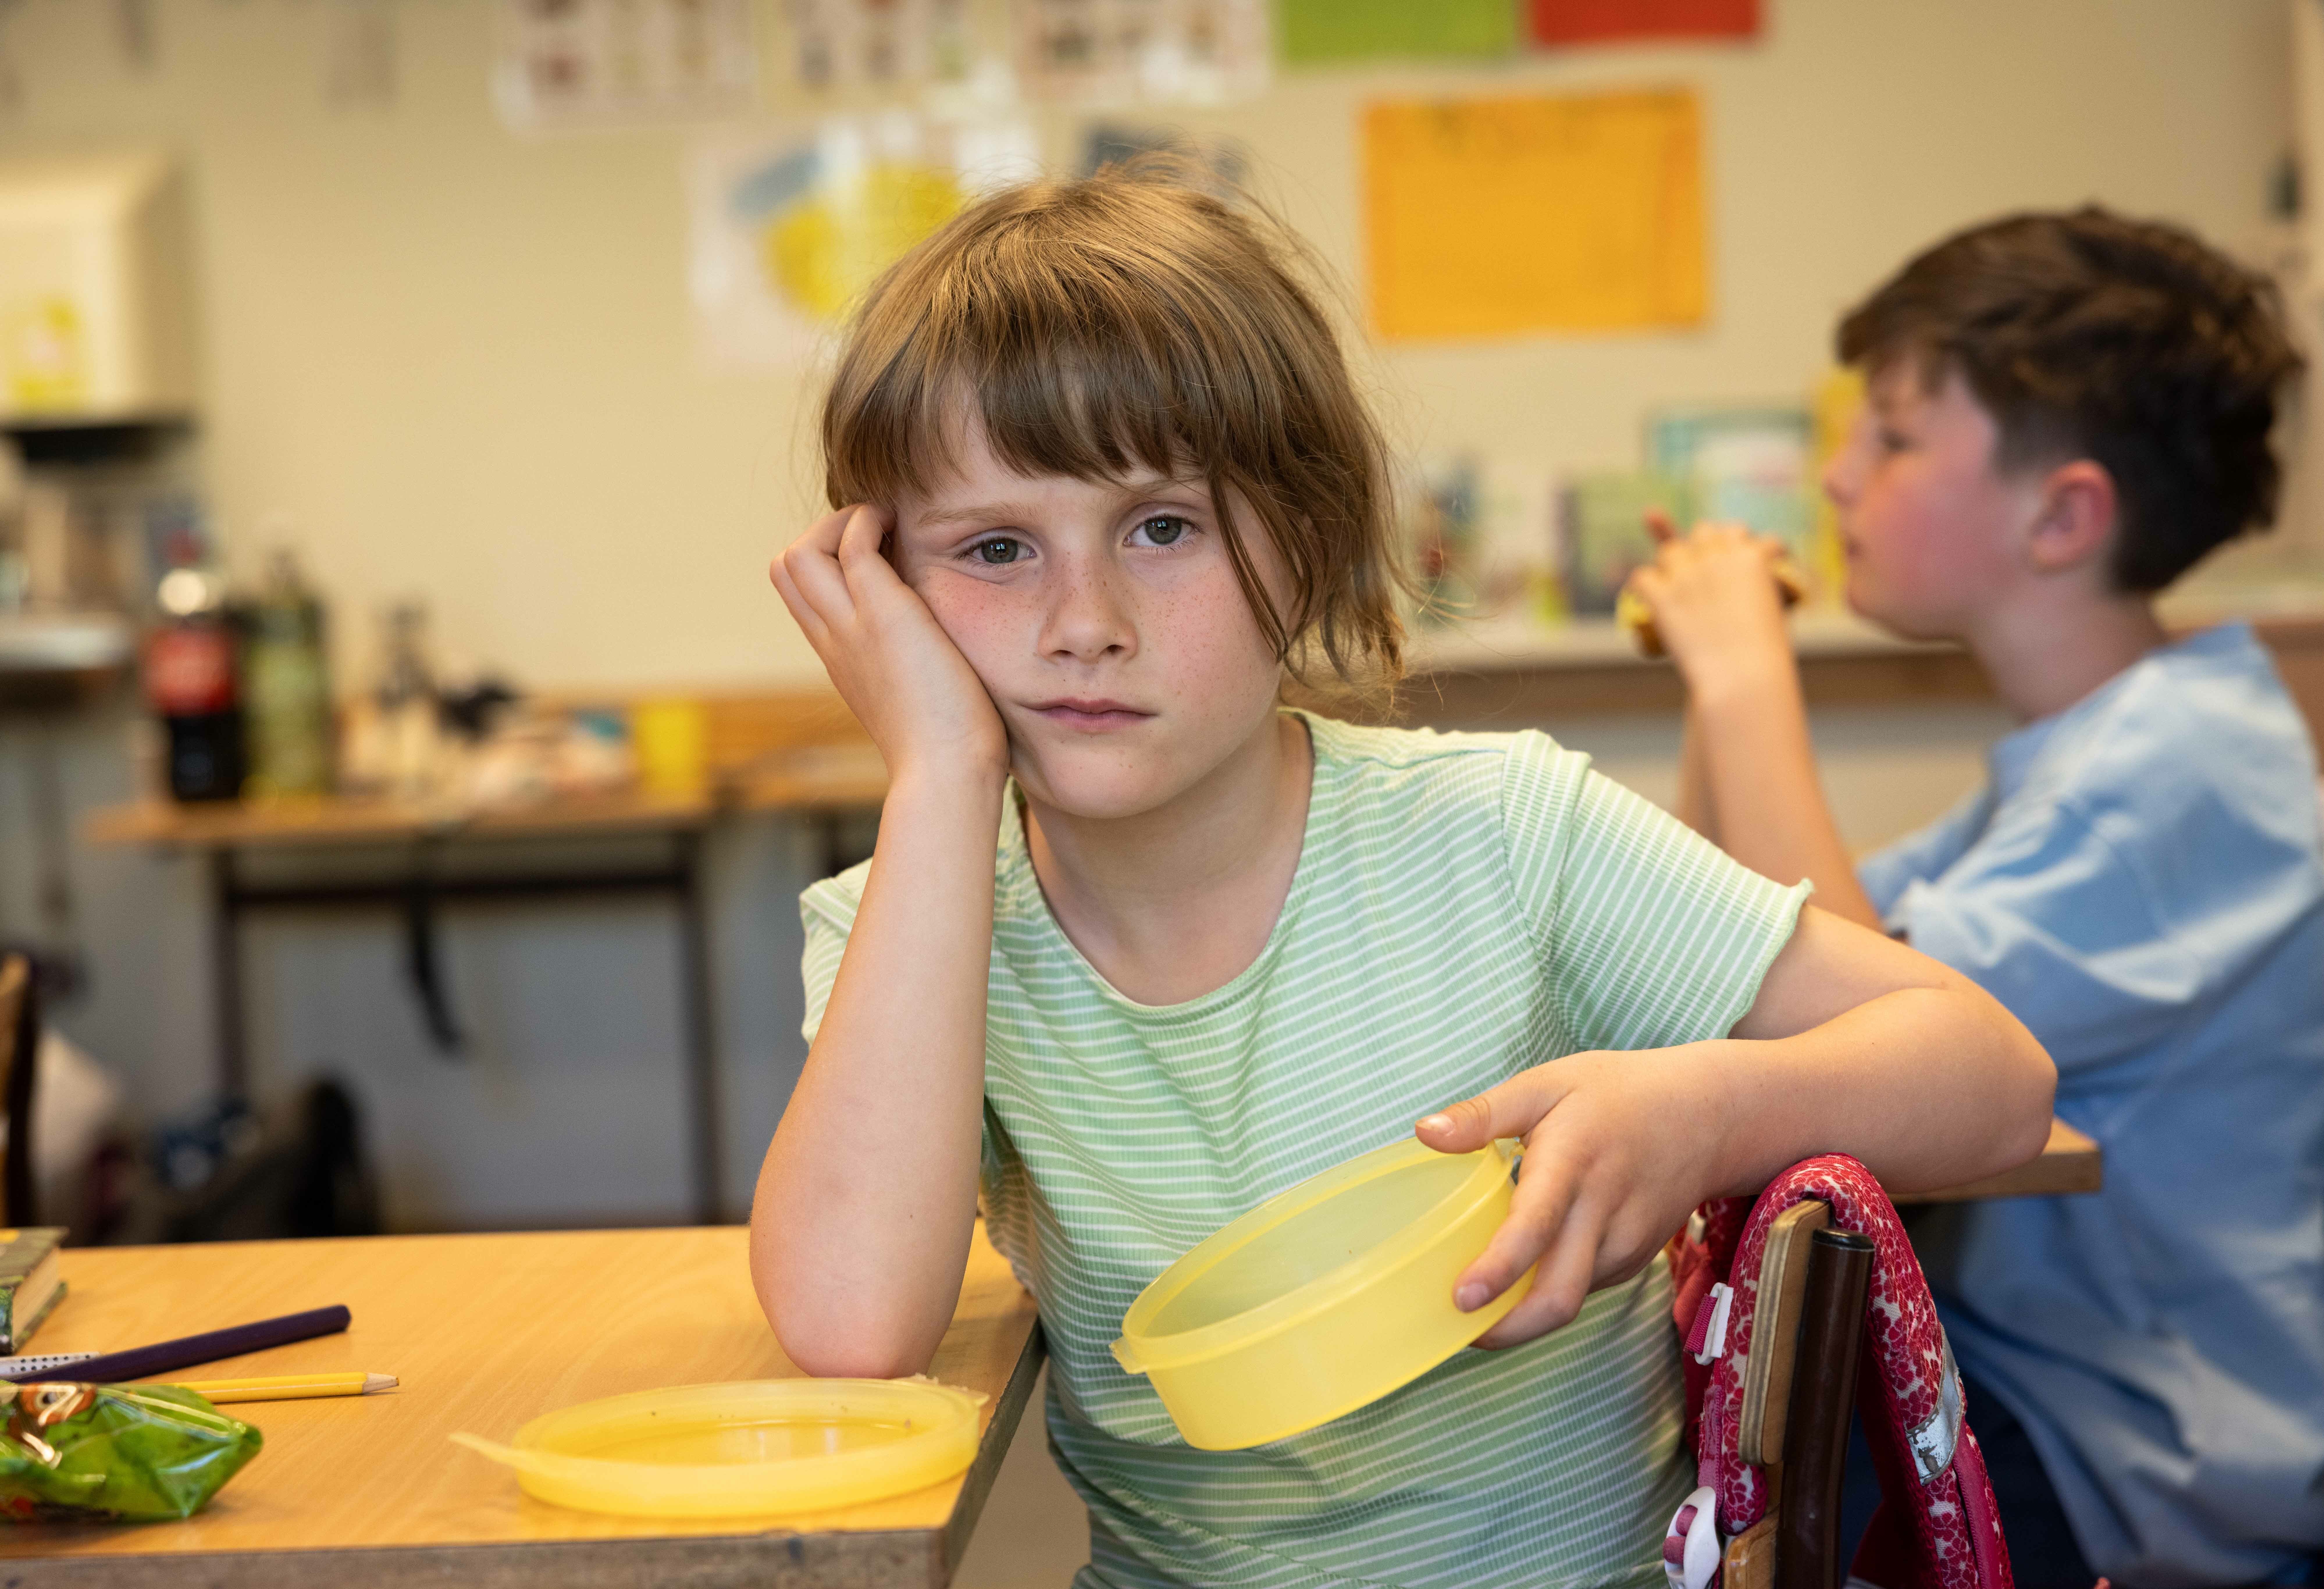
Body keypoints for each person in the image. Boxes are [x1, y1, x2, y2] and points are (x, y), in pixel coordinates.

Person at [749, 164, 2054, 1589]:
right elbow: (851, 1328)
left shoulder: (1496, 830)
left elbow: (1994, 1077)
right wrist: (941, 774)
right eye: (994, 549)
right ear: (881, 589)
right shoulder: (911, 918)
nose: (1083, 623)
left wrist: (1706, 1109)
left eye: (1162, 527)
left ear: (1306, 539)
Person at [1627, 207, 2324, 1586]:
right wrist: (1713, 685)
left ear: (2062, 515)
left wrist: (1744, 678)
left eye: (1892, 438)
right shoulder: (2090, 757)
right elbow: (1747, 949)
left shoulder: (2179, 773)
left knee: (1686, 1499)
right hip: (2037, 1376)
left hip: (2144, 1452)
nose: (1837, 476)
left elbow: (1839, 1038)